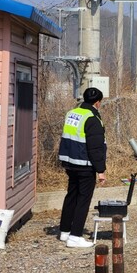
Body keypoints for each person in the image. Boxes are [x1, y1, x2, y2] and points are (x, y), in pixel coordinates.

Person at [58, 87, 107, 248]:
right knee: (83, 200)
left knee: (71, 196)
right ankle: (75, 236)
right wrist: (101, 170)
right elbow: (95, 148)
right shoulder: (92, 118)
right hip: (84, 164)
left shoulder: (72, 113)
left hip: (69, 162)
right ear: (97, 102)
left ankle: (65, 231)